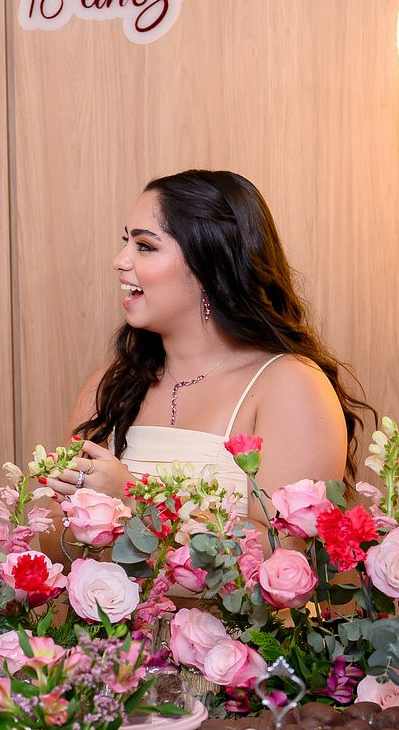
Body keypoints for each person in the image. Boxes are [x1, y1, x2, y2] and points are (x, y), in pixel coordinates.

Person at [56, 169, 369, 506]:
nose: (119, 261)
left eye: (145, 246)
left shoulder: (291, 384)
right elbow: (55, 531)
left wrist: (134, 500)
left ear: (208, 263)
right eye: (126, 242)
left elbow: (286, 538)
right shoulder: (107, 388)